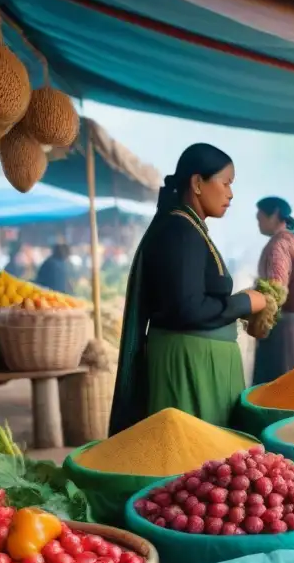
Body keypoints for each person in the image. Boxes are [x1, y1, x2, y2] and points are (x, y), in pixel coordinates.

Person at [109, 143, 267, 434]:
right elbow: (189, 308)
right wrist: (245, 303)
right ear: (197, 183)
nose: (230, 194)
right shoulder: (180, 231)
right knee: (196, 462)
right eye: (226, 183)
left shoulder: (189, 227)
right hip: (188, 366)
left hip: (198, 362)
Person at [252, 196, 294, 385]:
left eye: (260, 219)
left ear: (274, 215)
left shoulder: (279, 244)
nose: (258, 224)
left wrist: (256, 315)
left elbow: (276, 287)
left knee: (283, 388)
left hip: (287, 329)